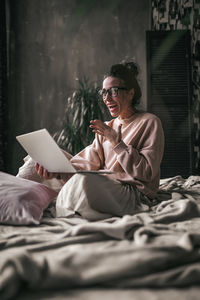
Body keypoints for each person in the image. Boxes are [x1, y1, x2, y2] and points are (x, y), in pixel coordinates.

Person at [20, 62, 165, 221]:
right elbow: (89, 162)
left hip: (132, 191)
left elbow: (147, 173)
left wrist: (116, 142)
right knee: (34, 163)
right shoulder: (109, 126)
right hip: (103, 182)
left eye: (113, 91)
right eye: (104, 93)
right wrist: (57, 170)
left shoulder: (149, 122)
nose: (107, 98)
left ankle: (62, 199)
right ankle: (14, 204)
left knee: (84, 181)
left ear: (131, 93)